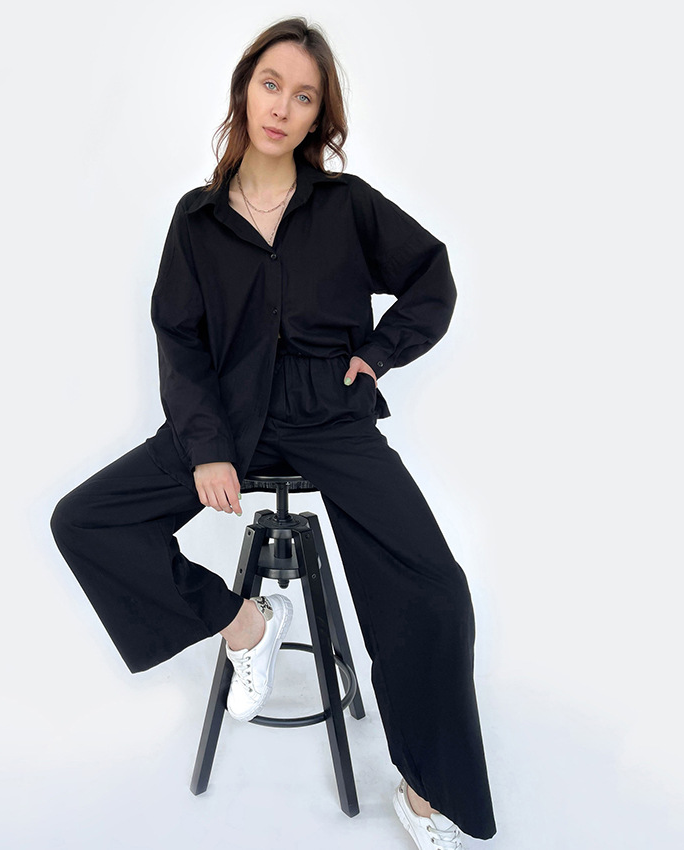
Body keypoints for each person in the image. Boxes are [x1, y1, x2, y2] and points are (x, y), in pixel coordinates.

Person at [50, 16, 496, 848]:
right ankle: (245, 624)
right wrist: (207, 447)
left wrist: (377, 355)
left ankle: (424, 787)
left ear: (320, 115)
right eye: (271, 85)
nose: (283, 107)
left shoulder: (346, 205)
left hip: (331, 415)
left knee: (437, 588)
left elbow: (431, 275)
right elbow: (180, 340)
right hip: (227, 418)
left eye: (304, 96)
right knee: (85, 521)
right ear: (244, 89)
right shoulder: (196, 221)